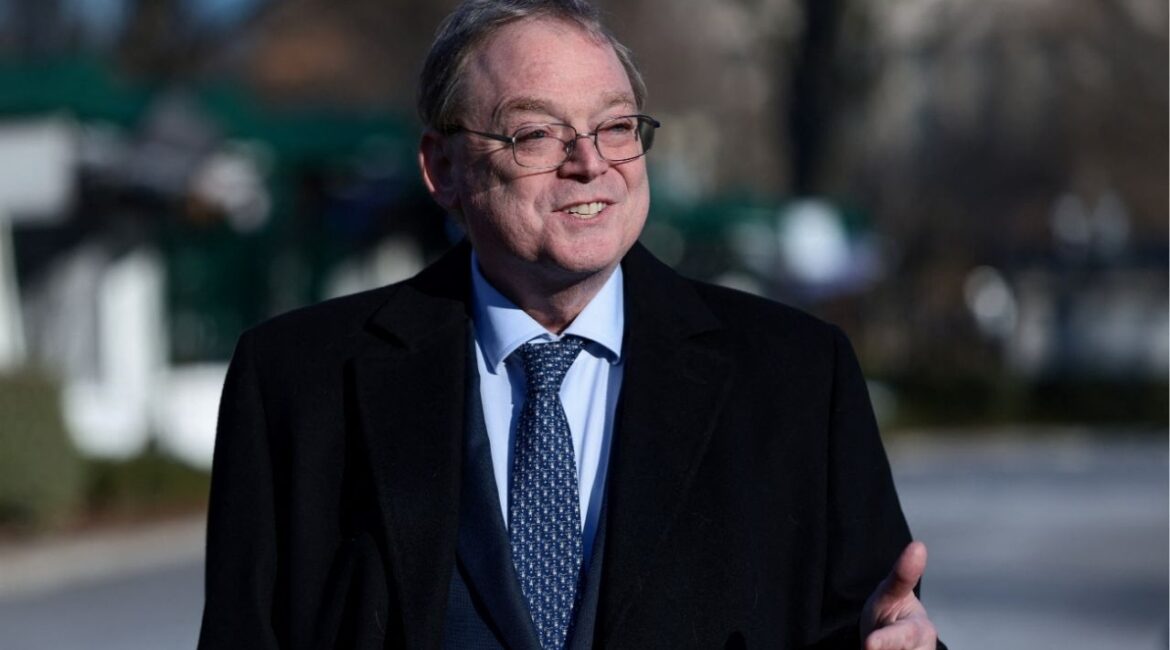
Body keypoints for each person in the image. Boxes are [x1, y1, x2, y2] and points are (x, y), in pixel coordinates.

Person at [198, 1, 943, 648]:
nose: (590, 163)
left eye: (616, 127)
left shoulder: (797, 378)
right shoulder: (299, 384)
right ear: (444, 168)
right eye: (535, 135)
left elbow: (879, 625)